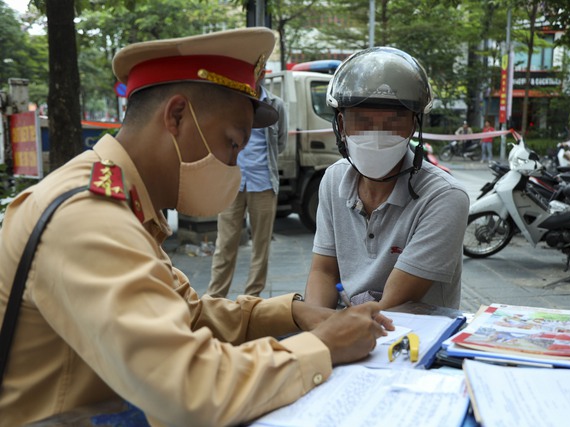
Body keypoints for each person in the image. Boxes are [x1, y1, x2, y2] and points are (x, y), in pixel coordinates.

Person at [0, 29, 392, 427]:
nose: (233, 167)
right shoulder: (89, 217)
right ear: (176, 116)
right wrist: (322, 346)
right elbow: (188, 390)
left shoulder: (122, 201)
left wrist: (293, 313)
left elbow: (190, 314)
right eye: (232, 144)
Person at [303, 47, 469, 310]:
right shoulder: (333, 180)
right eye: (363, 121)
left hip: (415, 338)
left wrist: (334, 329)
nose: (377, 135)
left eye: (393, 122)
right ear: (342, 125)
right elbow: (323, 271)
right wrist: (318, 324)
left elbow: (395, 300)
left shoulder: (445, 197)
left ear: (414, 126)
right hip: (346, 327)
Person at [207, 66, 287, 298]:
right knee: (225, 244)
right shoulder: (231, 103)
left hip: (263, 182)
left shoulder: (275, 105)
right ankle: (214, 297)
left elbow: (280, 142)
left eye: (258, 72)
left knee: (260, 247)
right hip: (232, 182)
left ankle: (251, 297)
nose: (255, 76)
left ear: (263, 75)